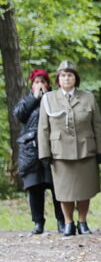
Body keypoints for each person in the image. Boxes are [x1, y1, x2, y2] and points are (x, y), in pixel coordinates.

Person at [37, 61, 101, 237]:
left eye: (70, 75)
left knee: (85, 188)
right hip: (60, 152)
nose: (66, 78)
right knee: (64, 191)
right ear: (58, 79)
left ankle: (82, 222)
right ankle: (68, 223)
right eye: (63, 75)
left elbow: (97, 125)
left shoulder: (88, 97)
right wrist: (44, 153)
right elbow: (43, 128)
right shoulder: (49, 99)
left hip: (86, 150)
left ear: (76, 78)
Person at [13, 69, 65, 235]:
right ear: (32, 84)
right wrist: (34, 98)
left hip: (52, 149)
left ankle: (62, 221)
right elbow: (19, 115)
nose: (40, 85)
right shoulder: (27, 100)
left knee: (57, 188)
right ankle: (38, 223)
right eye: (37, 82)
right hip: (31, 150)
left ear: (48, 84)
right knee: (35, 188)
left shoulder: (55, 99)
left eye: (43, 82)